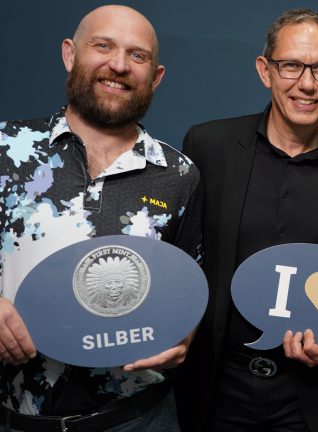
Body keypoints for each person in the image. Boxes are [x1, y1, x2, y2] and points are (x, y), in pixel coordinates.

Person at [175, 8, 318, 432]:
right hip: (215, 388)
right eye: (291, 65)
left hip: (308, 398)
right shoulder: (207, 146)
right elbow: (182, 259)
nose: (306, 83)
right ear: (264, 70)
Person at [0, 5, 201, 432]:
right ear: (70, 54)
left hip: (140, 418)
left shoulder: (180, 174)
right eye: (103, 46)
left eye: (138, 55)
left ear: (156, 76)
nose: (118, 65)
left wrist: (186, 334)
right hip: (17, 416)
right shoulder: (6, 149)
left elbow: (188, 284)